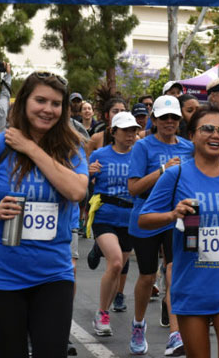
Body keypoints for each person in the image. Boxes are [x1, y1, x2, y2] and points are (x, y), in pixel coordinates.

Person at [0, 71, 89, 358]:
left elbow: (76, 192)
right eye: (40, 100)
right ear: (24, 101)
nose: (48, 109)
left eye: (55, 103)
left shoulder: (71, 149)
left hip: (53, 274)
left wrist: (30, 147)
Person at [138, 104, 219, 358]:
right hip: (192, 284)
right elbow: (144, 219)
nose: (216, 135)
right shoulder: (176, 175)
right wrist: (173, 215)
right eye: (207, 129)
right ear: (192, 135)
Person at [127, 95, 194, 356]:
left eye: (174, 117)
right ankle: (138, 324)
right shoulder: (142, 147)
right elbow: (133, 188)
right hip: (146, 215)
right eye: (163, 117)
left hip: (176, 217)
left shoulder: (188, 147)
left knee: (173, 271)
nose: (169, 122)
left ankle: (175, 334)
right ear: (153, 119)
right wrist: (163, 170)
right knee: (146, 277)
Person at [88, 112, 139, 336]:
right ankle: (101, 314)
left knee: (117, 268)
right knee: (117, 263)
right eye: (126, 130)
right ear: (113, 132)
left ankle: (104, 311)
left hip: (129, 218)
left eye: (133, 130)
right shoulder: (100, 155)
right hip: (105, 215)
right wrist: (88, 175)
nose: (130, 134)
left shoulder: (139, 155)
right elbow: (85, 185)